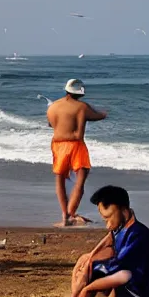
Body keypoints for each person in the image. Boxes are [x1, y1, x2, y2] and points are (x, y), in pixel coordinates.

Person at [45, 185, 149, 297]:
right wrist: (88, 260)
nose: (107, 225)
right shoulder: (121, 227)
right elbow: (107, 242)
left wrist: (89, 287)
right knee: (87, 261)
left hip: (145, 290)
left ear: (124, 211)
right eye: (105, 220)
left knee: (108, 272)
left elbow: (120, 272)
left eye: (109, 218)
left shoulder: (137, 236)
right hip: (127, 275)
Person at [47, 79, 107, 226]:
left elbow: (50, 124)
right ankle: (71, 213)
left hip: (57, 144)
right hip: (75, 144)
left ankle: (64, 215)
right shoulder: (81, 107)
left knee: (60, 179)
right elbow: (97, 116)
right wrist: (106, 112)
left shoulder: (53, 107)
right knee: (80, 178)